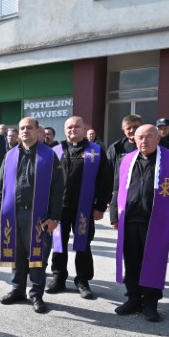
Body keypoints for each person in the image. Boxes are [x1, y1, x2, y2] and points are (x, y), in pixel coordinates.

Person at [110, 125, 169, 321]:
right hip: (129, 220)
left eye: (148, 137)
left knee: (154, 262)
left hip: (157, 221)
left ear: (158, 138)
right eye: (140, 137)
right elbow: (117, 189)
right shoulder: (125, 160)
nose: (143, 141)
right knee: (131, 262)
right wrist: (114, 215)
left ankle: (150, 302)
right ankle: (133, 298)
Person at [0, 117, 63, 314]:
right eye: (22, 128)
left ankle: (36, 294)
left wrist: (54, 217)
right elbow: (0, 185)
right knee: (16, 255)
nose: (25, 131)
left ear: (37, 130)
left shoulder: (49, 155)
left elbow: (58, 189)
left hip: (37, 215)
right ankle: (17, 290)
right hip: (12, 214)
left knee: (37, 257)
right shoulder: (10, 155)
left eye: (29, 128)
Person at [47, 116, 111, 299]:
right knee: (58, 244)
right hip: (59, 208)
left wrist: (100, 206)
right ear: (64, 130)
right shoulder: (56, 150)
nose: (72, 130)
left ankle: (82, 280)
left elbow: (105, 180)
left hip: (84, 207)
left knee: (83, 245)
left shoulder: (96, 151)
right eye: (69, 127)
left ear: (84, 129)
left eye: (76, 126)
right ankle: (58, 277)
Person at [107, 114, 142, 193]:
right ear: (123, 130)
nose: (132, 130)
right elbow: (108, 173)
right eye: (128, 128)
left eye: (135, 127)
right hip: (122, 192)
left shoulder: (150, 146)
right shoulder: (115, 148)